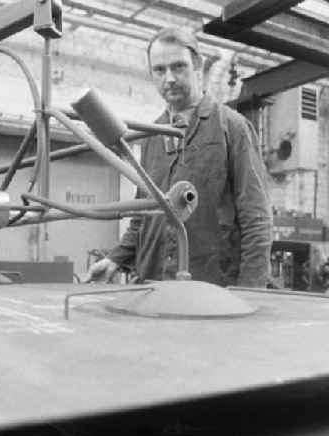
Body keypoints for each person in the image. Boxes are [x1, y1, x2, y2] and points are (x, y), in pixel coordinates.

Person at [89, 28, 272, 287]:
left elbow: (256, 218)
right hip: (153, 285)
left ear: (197, 65)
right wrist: (115, 259)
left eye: (178, 67)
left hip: (211, 290)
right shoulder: (153, 134)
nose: (170, 78)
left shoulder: (232, 128)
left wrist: (250, 292)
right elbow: (144, 213)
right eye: (160, 70)